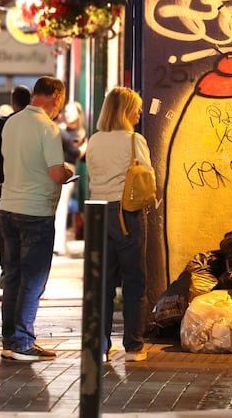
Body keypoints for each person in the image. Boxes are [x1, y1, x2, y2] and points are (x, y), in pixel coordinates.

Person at [0, 76, 73, 361]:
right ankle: (22, 342)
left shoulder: (12, 122)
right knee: (33, 279)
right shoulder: (48, 128)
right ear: (55, 97)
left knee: (14, 276)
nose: (59, 108)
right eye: (61, 103)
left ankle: (11, 340)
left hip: (8, 207)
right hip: (35, 211)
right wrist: (67, 171)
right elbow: (56, 173)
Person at [86, 87, 155, 363]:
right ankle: (134, 346)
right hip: (127, 215)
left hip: (97, 215)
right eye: (137, 107)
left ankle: (101, 346)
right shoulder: (134, 140)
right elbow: (148, 177)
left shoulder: (93, 140)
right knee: (134, 281)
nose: (140, 112)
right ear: (127, 111)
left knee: (101, 283)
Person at [0, 85, 33, 288]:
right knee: (28, 230)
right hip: (29, 185)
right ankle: (25, 273)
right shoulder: (36, 125)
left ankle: (8, 272)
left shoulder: (2, 124)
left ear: (13, 102)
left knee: (6, 232)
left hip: (5, 185)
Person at [54, 101, 86, 256]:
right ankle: (56, 243)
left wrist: (81, 149)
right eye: (66, 111)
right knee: (56, 205)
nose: (68, 114)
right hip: (55, 168)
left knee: (61, 205)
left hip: (68, 170)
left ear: (79, 114)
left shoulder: (81, 133)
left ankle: (58, 245)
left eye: (72, 111)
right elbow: (77, 152)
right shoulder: (60, 130)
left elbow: (77, 155)